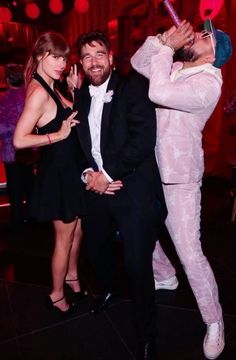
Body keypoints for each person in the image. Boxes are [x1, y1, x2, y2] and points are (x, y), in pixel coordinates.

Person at [131, 19, 232, 359]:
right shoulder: (178, 66)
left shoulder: (208, 83)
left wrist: (167, 48)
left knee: (191, 253)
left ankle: (214, 321)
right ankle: (165, 275)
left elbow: (157, 92)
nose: (199, 35)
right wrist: (162, 40)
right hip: (149, 170)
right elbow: (138, 63)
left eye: (206, 36)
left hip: (179, 178)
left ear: (213, 54)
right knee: (139, 230)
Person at [73, 30, 167, 359]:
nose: (94, 61)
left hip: (132, 189)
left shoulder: (132, 87)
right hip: (97, 189)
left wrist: (108, 175)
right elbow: (78, 146)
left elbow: (142, 140)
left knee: (137, 265)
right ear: (81, 64)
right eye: (87, 57)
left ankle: (146, 335)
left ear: (111, 57)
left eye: (99, 54)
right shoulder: (80, 96)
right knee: (94, 251)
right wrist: (89, 174)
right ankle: (112, 287)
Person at [13, 32, 86, 315]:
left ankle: (72, 276)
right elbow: (20, 139)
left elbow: (71, 117)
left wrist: (73, 90)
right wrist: (56, 135)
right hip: (58, 174)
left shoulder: (53, 85)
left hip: (70, 171)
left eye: (65, 57)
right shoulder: (40, 92)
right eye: (55, 56)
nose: (62, 63)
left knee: (78, 231)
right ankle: (56, 294)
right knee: (64, 238)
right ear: (41, 55)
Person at [0, 63, 36, 233]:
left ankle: (17, 223)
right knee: (30, 186)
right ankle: (34, 220)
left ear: (7, 80)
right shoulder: (30, 95)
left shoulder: (3, 99)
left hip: (11, 151)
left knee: (14, 190)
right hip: (29, 149)